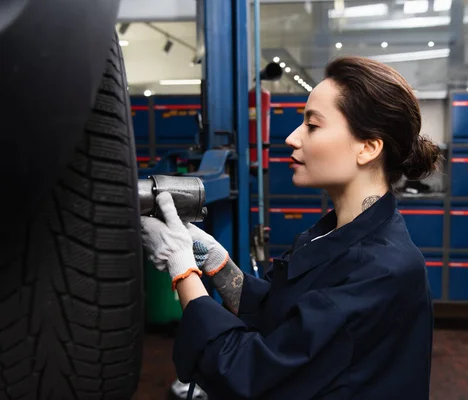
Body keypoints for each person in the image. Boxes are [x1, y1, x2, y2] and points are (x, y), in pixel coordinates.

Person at [140, 55, 441, 400]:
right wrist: (213, 259)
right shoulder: (332, 236)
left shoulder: (383, 270)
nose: (293, 138)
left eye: (312, 125)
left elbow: (246, 373)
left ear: (368, 148)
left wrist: (182, 269)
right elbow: (282, 313)